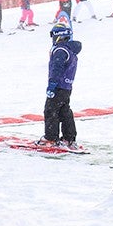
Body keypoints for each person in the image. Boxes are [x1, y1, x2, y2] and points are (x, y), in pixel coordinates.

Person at [42, 19, 82, 148]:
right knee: (64, 111)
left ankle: (51, 138)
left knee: (51, 110)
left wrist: (52, 83)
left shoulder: (60, 50)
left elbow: (57, 67)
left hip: (58, 85)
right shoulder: (71, 50)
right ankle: (68, 137)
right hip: (67, 86)